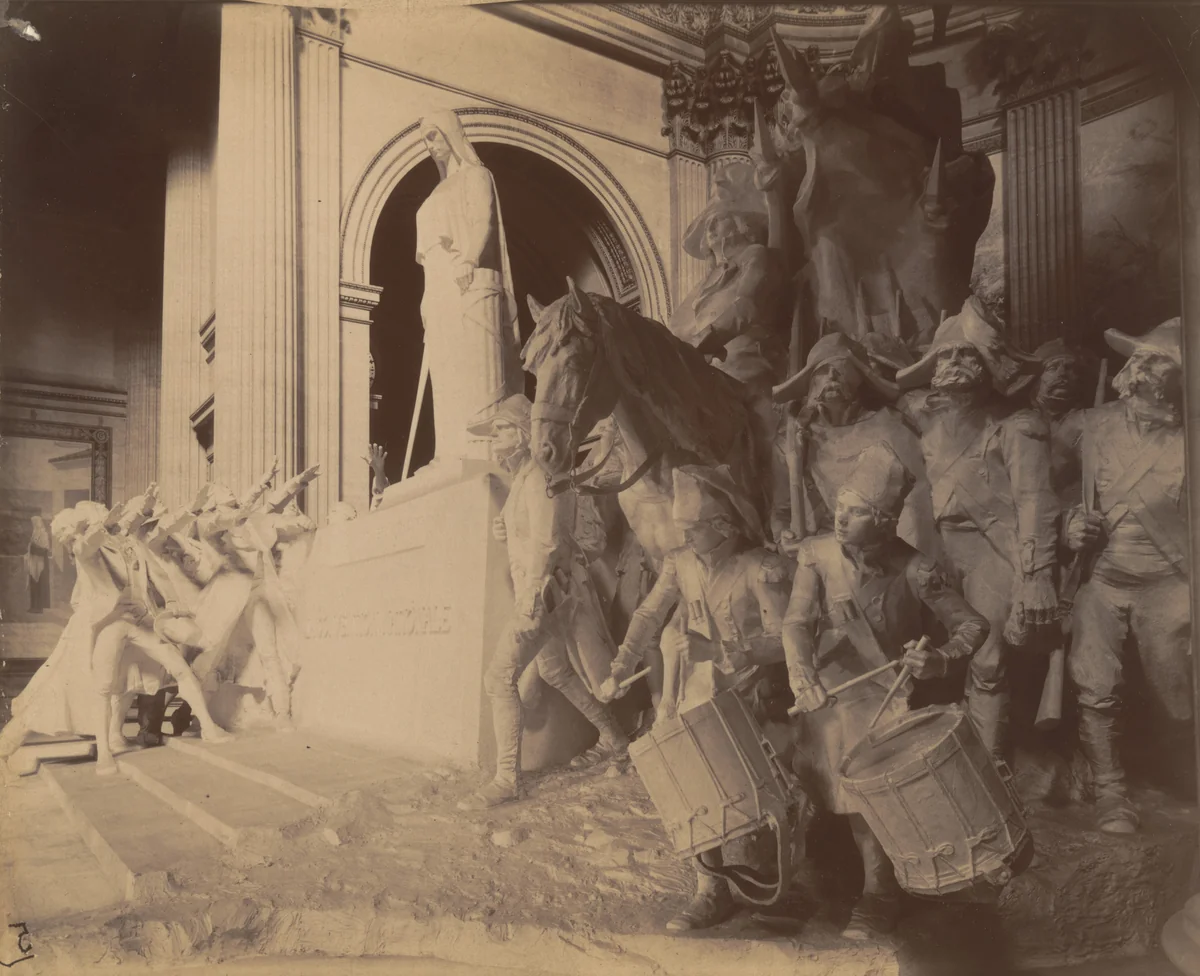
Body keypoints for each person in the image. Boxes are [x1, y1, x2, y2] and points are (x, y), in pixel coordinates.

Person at [784, 443, 989, 938]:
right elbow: (795, 622)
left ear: (883, 521)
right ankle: (806, 884)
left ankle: (879, 895)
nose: (840, 519)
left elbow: (973, 626)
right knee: (806, 785)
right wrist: (802, 677)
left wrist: (938, 660)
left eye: (855, 512)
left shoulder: (917, 569)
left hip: (885, 698)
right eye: (840, 507)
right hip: (825, 693)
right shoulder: (816, 555)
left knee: (866, 800)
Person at [600, 464, 794, 932]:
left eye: (693, 528)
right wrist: (621, 666)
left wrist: (727, 651)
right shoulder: (681, 563)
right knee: (691, 789)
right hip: (698, 693)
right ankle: (710, 888)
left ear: (723, 526)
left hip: (755, 693)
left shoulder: (761, 568)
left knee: (758, 795)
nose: (683, 536)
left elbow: (786, 639)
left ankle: (772, 883)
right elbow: (649, 615)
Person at [895, 296, 1060, 762]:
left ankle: (990, 765)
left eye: (968, 354)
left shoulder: (1018, 427)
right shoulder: (921, 418)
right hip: (932, 548)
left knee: (987, 658)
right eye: (946, 354)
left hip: (992, 550)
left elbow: (1035, 501)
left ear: (988, 364)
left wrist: (1036, 575)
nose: (955, 363)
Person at [458, 395, 629, 811]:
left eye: (500, 430)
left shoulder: (539, 477)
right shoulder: (525, 478)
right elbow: (532, 533)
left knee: (498, 678)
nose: (494, 438)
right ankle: (617, 739)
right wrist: (505, 529)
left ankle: (507, 780)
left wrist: (531, 601)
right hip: (546, 595)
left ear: (522, 434)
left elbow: (550, 543)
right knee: (554, 671)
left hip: (545, 597)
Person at [1065, 318, 1189, 834]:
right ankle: (1111, 793)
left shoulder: (1191, 438)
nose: (1142, 368)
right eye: (1141, 358)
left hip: (1172, 582)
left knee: (1179, 697)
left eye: (1159, 361)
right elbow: (1045, 492)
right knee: (1095, 685)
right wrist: (1070, 526)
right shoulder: (1090, 426)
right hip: (1105, 578)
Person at [668, 162, 790, 537]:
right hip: (700, 374)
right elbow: (676, 325)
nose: (710, 231)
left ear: (741, 224)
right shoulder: (705, 283)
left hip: (747, 365)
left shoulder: (757, 256)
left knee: (768, 428)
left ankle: (781, 510)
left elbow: (746, 305)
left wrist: (707, 339)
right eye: (709, 226)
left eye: (717, 222)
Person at [415, 110, 523, 464]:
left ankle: (478, 452)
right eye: (425, 139)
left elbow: (483, 220)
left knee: (471, 369)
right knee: (445, 372)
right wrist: (428, 295)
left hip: (466, 278)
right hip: (439, 286)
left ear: (450, 134)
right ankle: (448, 452)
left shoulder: (476, 175)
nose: (429, 145)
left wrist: (470, 259)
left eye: (433, 135)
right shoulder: (436, 192)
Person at [772, 331, 939, 559]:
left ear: (860, 378)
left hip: (885, 556)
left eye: (841, 368)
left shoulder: (891, 427)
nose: (832, 376)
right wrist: (783, 535)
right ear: (810, 381)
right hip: (824, 556)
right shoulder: (793, 442)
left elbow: (915, 512)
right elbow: (781, 510)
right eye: (823, 370)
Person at [25, 515, 50, 613]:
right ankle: (33, 606)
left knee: (39, 585)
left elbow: (45, 549)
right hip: (33, 562)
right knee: (33, 584)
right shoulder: (34, 533)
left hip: (40, 563)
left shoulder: (43, 534)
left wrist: (33, 547)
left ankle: (39, 607)